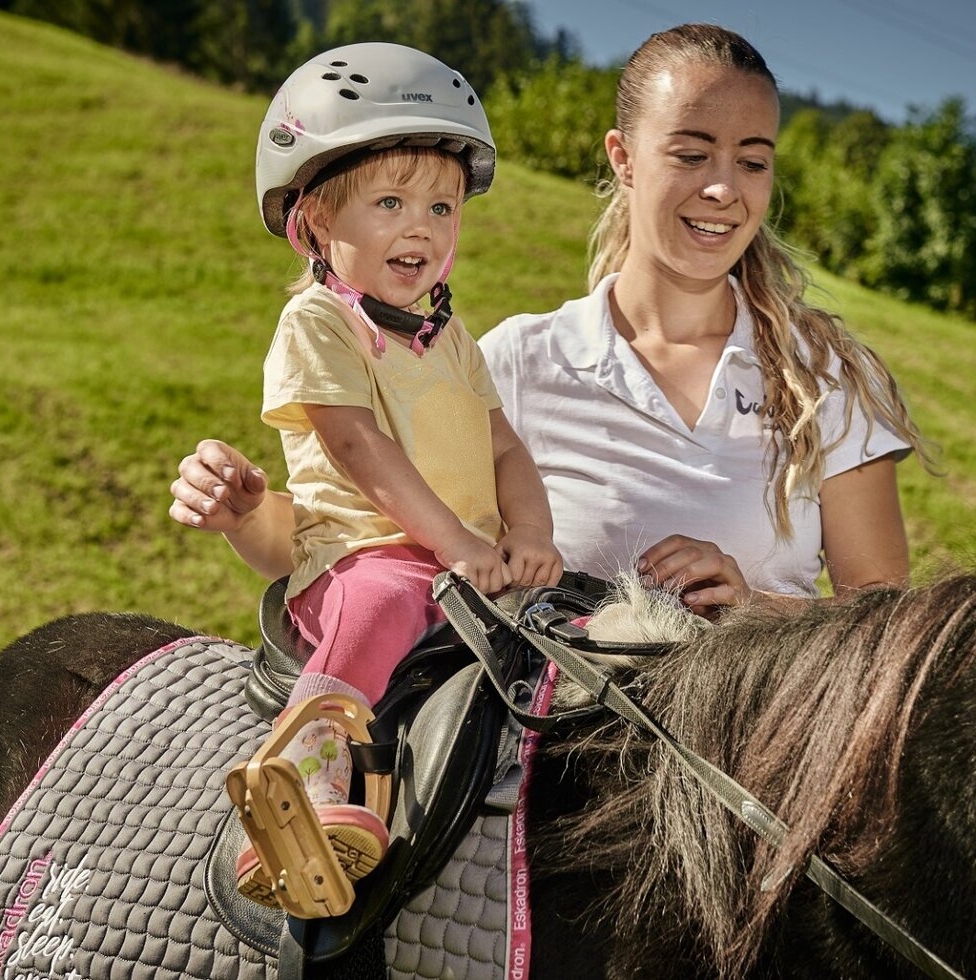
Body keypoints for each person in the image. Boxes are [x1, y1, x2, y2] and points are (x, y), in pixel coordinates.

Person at [170, 23, 929, 619]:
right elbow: (361, 545)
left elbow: (883, 622)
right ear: (624, 158)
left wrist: (751, 609)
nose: (725, 189)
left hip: (759, 765)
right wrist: (244, 516)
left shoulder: (824, 377)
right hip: (551, 770)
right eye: (692, 154)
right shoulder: (517, 361)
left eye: (753, 161)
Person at [224, 42, 561, 913]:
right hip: (361, 557)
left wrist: (531, 534)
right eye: (389, 201)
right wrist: (453, 543)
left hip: (463, 564)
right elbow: (357, 448)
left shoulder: (448, 337)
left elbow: (505, 450)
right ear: (312, 220)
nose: (423, 225)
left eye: (442, 205)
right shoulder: (318, 324)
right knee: (380, 605)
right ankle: (294, 786)